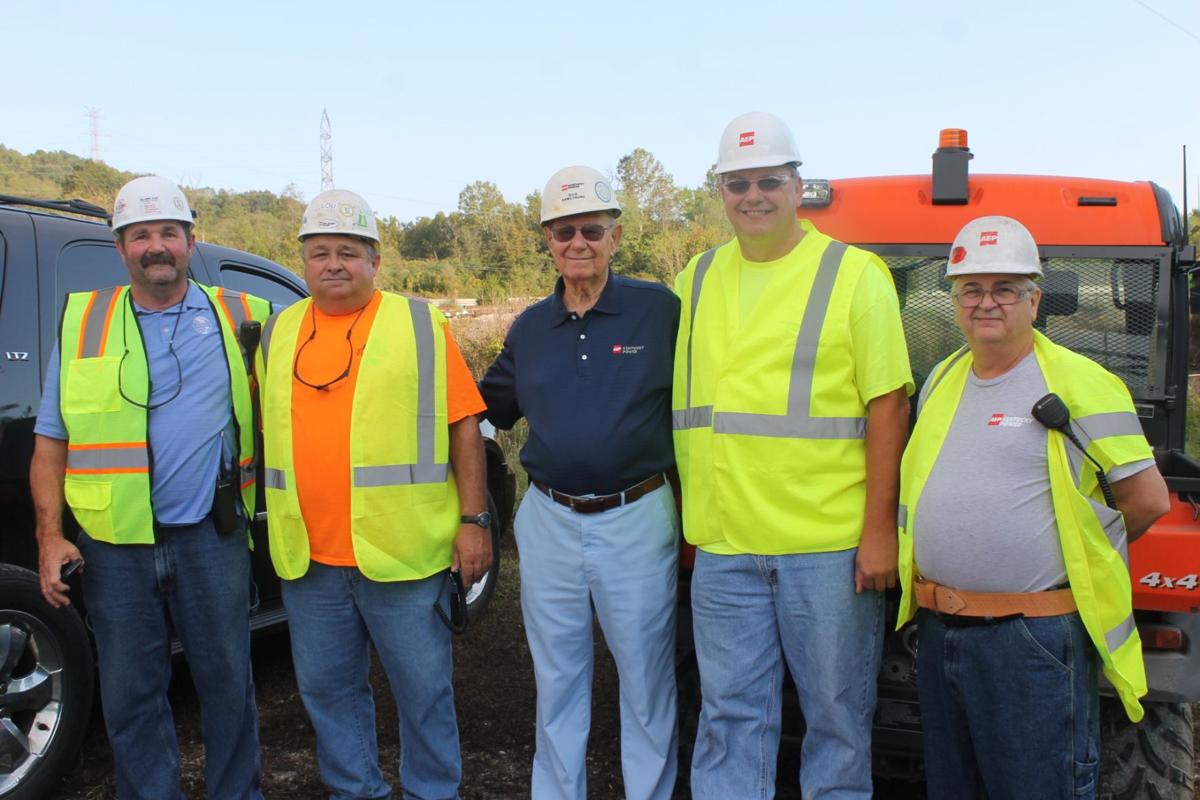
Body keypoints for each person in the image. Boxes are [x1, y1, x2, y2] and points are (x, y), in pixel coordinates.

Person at [672, 112, 914, 798]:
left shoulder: (853, 274)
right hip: (724, 548)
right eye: (738, 183)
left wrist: (878, 531)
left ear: (797, 185)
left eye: (769, 181)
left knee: (837, 721)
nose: (754, 196)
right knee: (729, 719)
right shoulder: (696, 277)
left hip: (827, 549)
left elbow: (888, 405)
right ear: (720, 191)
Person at [896, 215, 1170, 799]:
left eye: (1005, 289)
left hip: (1034, 639)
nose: (986, 302)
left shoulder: (1082, 382)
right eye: (971, 288)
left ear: (1034, 299)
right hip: (942, 631)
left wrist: (1075, 559)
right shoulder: (943, 377)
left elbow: (1145, 502)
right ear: (953, 299)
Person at [30, 176, 270, 800]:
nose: (155, 246)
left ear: (192, 241)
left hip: (210, 541)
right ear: (120, 248)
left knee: (228, 686)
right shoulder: (84, 322)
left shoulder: (247, 317)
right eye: (141, 235)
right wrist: (50, 535)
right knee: (132, 697)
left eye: (169, 232)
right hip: (115, 546)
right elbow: (51, 439)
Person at [257, 189, 490, 800]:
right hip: (310, 558)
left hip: (403, 554)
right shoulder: (277, 332)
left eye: (348, 252)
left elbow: (464, 423)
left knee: (424, 693)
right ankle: (356, 790)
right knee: (329, 693)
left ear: (375, 261)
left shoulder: (417, 323)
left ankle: (431, 791)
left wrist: (475, 520)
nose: (333, 264)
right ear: (303, 260)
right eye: (319, 252)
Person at [478, 165, 681, 800]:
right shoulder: (532, 326)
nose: (578, 243)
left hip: (638, 514)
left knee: (646, 677)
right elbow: (485, 408)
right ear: (547, 239)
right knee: (557, 676)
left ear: (615, 236)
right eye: (564, 231)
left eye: (591, 229)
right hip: (550, 521)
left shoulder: (659, 311)